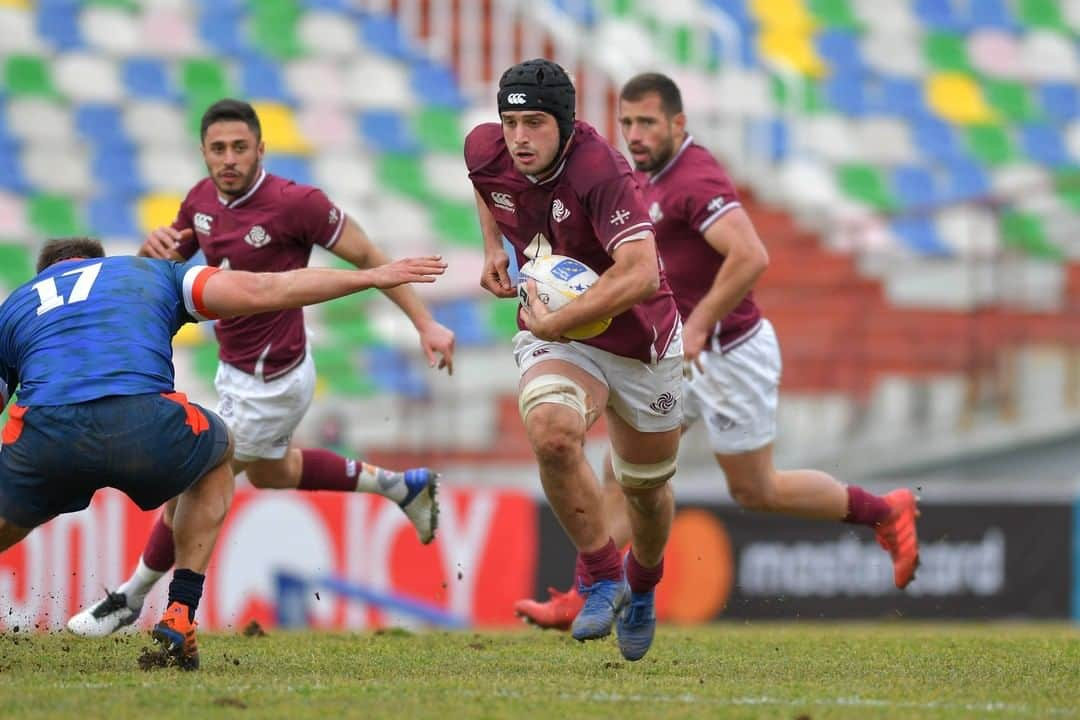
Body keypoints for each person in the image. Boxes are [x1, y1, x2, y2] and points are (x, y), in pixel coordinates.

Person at [513, 72, 921, 630]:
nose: (634, 134)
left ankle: (884, 511)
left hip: (727, 353)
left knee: (757, 489)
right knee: (626, 475)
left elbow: (751, 255)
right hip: (672, 353)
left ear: (679, 125)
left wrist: (701, 323)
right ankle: (591, 591)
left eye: (648, 123)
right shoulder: (639, 178)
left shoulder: (694, 177)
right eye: (627, 122)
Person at [68, 99, 457, 637]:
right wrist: (149, 249)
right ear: (204, 153)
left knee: (196, 477)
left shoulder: (297, 204)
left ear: (260, 150)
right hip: (233, 371)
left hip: (275, 380)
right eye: (217, 149)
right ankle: (401, 487)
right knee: (274, 470)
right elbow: (159, 277)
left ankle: (131, 598)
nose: (228, 159)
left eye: (239, 148)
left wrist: (425, 324)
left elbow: (371, 259)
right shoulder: (200, 201)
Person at [0, 237, 446, 668]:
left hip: (45, 434)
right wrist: (370, 277)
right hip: (145, 422)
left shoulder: (17, 305)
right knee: (222, 454)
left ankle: (129, 597)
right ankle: (177, 609)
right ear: (99, 261)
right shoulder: (149, 273)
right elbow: (266, 288)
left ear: (48, 274)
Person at [467, 59, 684, 661]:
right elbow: (484, 181)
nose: (518, 138)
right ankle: (604, 574)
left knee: (644, 489)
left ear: (564, 123)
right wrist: (492, 247)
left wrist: (559, 318)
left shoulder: (599, 170)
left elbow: (640, 274)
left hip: (640, 341)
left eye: (534, 123)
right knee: (553, 433)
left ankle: (642, 586)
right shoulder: (487, 148)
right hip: (561, 332)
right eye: (510, 122)